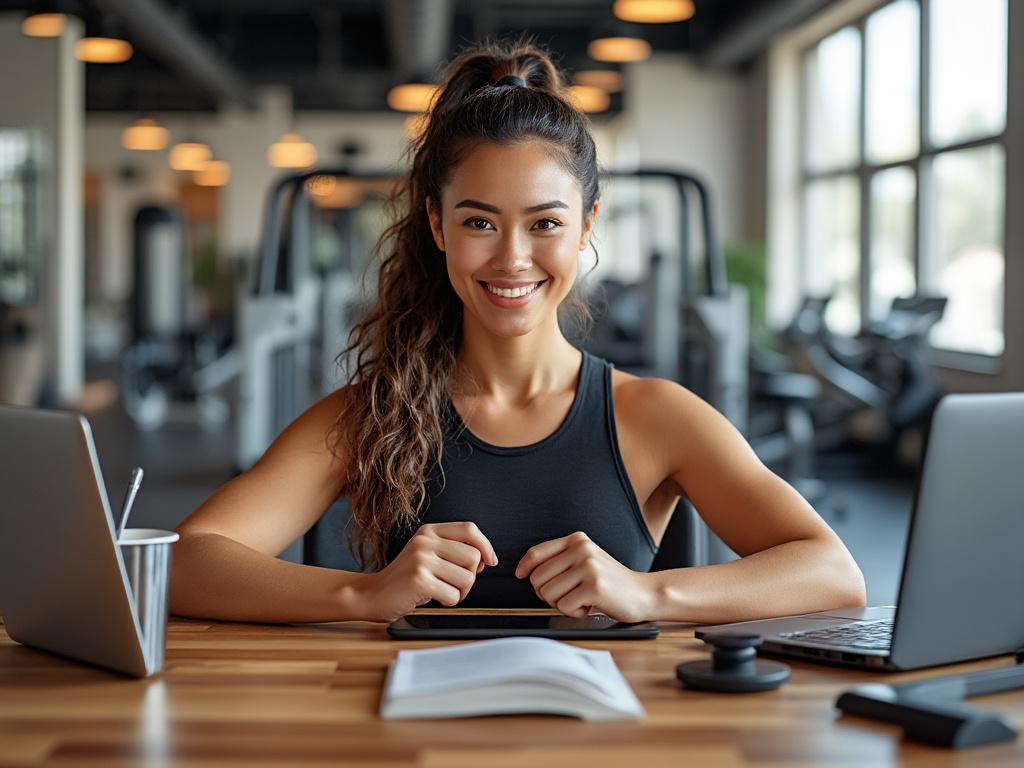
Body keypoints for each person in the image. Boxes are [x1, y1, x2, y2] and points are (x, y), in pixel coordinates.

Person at [171, 40, 865, 626]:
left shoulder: (655, 416)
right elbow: (187, 560)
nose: (511, 258)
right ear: (438, 226)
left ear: (588, 224)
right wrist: (364, 592)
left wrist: (648, 592)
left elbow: (832, 570)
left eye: (545, 223)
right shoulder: (372, 414)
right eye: (479, 222)